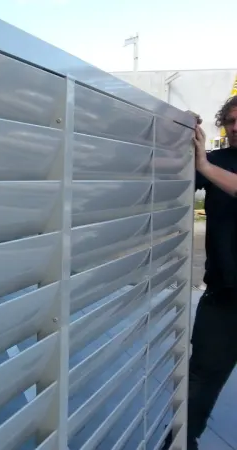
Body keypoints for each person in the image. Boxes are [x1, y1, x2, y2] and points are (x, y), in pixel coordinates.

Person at [163, 96, 237, 450]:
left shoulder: (211, 166)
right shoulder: (215, 160)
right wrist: (176, 130)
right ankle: (179, 443)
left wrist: (205, 167)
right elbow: (168, 181)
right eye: (231, 120)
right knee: (201, 379)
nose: (235, 127)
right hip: (224, 297)